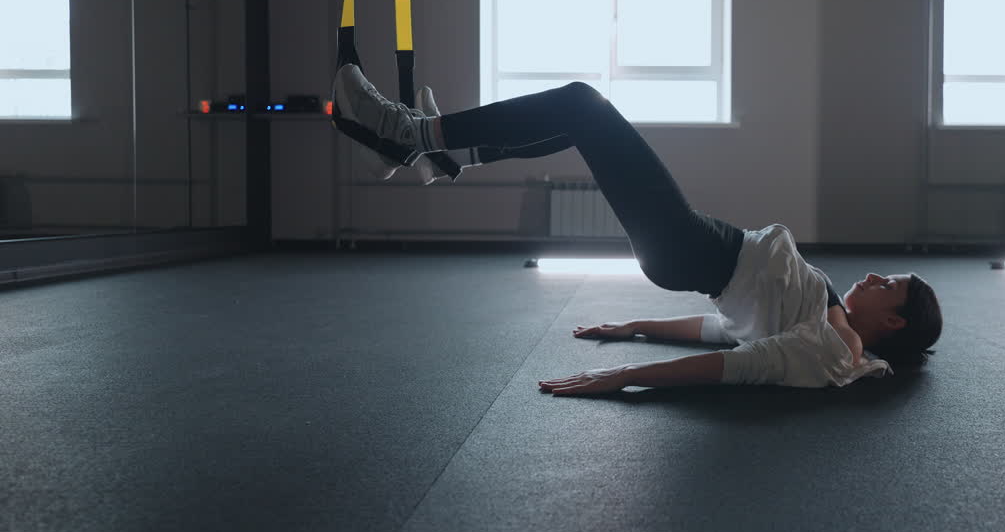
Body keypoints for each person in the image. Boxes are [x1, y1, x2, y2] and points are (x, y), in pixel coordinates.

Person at [330, 65, 943, 396]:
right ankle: (447, 155)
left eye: (888, 283)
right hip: (689, 251)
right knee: (580, 120)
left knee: (581, 102)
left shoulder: (837, 348)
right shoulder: (826, 326)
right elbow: (725, 332)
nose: (873, 275)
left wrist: (621, 379)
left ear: (893, 320)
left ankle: (408, 134)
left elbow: (739, 366)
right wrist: (637, 327)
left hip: (690, 246)